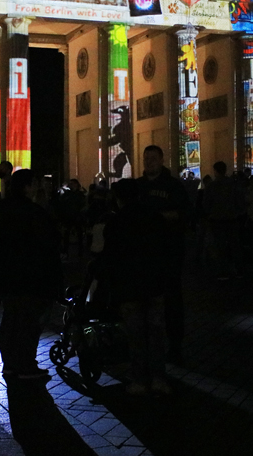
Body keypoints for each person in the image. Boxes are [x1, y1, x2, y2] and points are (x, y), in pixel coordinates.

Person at [0, 169, 61, 380]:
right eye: (34, 183)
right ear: (27, 186)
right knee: (28, 320)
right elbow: (49, 243)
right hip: (29, 274)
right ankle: (25, 364)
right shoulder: (34, 212)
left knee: (10, 318)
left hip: (4, 272)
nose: (37, 188)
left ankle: (10, 364)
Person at [102, 178, 172, 395]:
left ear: (119, 198)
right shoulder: (154, 217)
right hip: (153, 282)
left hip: (129, 285)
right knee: (156, 333)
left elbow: (110, 256)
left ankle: (140, 379)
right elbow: (165, 249)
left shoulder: (116, 222)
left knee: (136, 335)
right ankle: (159, 378)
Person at [138, 145, 191, 364]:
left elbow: (185, 215)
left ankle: (175, 344)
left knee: (171, 299)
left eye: (153, 158)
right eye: (146, 158)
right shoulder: (137, 186)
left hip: (168, 252)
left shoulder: (173, 187)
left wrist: (160, 217)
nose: (149, 162)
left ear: (161, 160)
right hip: (142, 254)